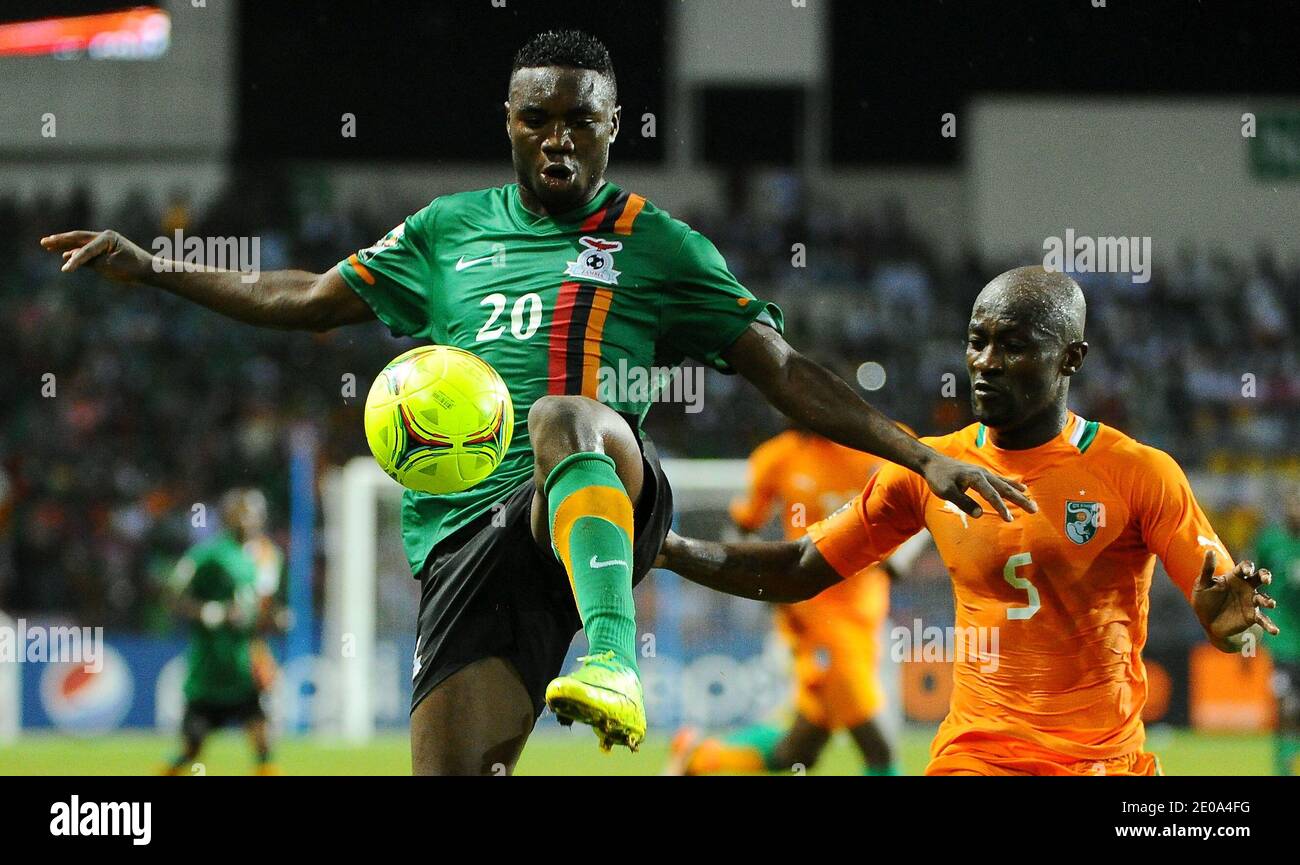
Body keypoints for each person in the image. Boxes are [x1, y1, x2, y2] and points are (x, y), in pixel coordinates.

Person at [41, 31, 1031, 775]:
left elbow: (782, 368)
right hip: (468, 538)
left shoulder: (658, 243)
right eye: (536, 120)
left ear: (612, 129)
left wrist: (919, 453)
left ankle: (611, 654)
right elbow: (304, 300)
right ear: (509, 122)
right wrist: (158, 267)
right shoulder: (446, 230)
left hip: (599, 484)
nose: (557, 142)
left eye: (580, 123)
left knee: (563, 414)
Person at [659, 266, 1280, 775]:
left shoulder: (1138, 472)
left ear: (1071, 358)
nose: (985, 361)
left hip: (1105, 763)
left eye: (1013, 346)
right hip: (977, 757)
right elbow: (800, 566)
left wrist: (1231, 630)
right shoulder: (931, 468)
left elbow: (1225, 606)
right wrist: (669, 548)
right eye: (978, 341)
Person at [668, 425, 926, 776]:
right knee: (877, 743)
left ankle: (699, 759)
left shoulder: (885, 443)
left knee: (800, 751)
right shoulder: (778, 457)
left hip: (865, 616)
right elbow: (742, 528)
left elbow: (927, 503)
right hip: (816, 619)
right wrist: (771, 586)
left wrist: (904, 554)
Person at [163, 489, 286, 776]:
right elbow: (171, 596)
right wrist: (210, 612)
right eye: (245, 512)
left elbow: (264, 609)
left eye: (257, 512)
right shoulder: (208, 554)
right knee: (191, 749)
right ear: (229, 515)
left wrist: (277, 618)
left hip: (243, 670)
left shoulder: (268, 556)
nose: (252, 519)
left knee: (263, 745)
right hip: (208, 672)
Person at [1251, 487, 1300, 775]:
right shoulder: (1271, 542)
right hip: (1282, 640)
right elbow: (1251, 582)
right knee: (1285, 705)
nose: (1295, 510)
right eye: (1291, 503)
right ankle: (1283, 764)